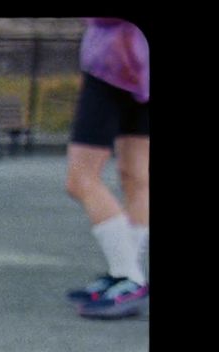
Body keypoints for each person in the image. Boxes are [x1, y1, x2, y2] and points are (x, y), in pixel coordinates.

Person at [63, 19, 149, 319]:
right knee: (135, 176)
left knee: (80, 179)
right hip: (139, 65)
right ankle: (124, 274)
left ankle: (130, 276)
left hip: (112, 65)